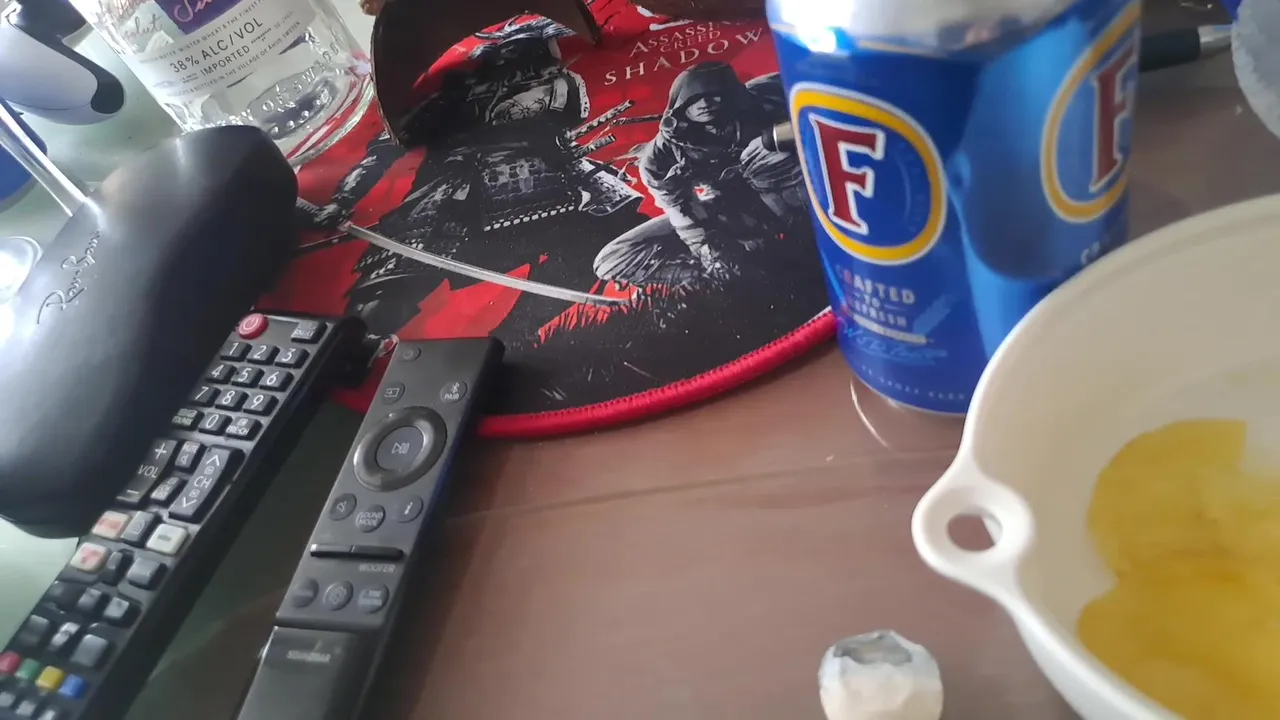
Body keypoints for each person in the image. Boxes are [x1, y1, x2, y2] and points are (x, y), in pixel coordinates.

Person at [313, 16, 644, 340]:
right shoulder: (455, 96)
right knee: (387, 291)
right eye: (520, 52)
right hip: (454, 195)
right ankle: (352, 348)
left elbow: (566, 113)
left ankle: (518, 333)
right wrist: (342, 200)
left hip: (550, 176)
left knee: (613, 227)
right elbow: (386, 149)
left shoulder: (560, 84)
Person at [593, 61, 808, 287]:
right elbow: (678, 211)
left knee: (763, 149)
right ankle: (708, 278)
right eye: (694, 98)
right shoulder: (660, 156)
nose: (705, 104)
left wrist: (779, 135)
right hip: (715, 215)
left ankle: (802, 235)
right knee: (612, 259)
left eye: (713, 95)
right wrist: (708, 255)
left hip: (781, 200)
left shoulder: (765, 98)